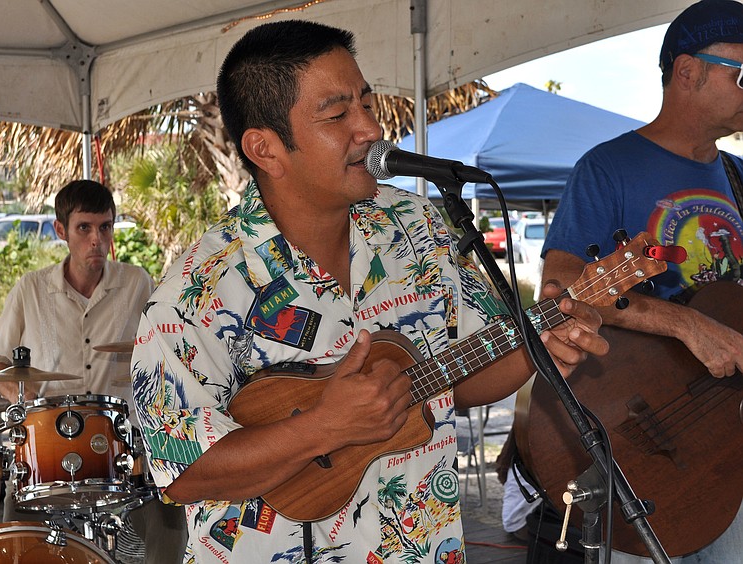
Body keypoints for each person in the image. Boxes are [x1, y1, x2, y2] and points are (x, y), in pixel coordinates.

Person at [131, 19, 607, 563]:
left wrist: (538, 350)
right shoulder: (196, 291)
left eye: (365, 102)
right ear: (265, 149)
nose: (369, 128)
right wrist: (323, 428)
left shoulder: (419, 228)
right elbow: (182, 473)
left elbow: (461, 379)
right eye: (337, 114)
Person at [541, 1, 743, 561]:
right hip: (641, 433)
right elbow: (560, 289)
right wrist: (687, 324)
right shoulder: (607, 168)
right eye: (741, 73)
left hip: (725, 439)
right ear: (688, 72)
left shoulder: (736, 177)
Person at [0, 179, 186, 564]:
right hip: (49, 440)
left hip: (124, 438)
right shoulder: (31, 288)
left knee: (170, 520)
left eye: (105, 227)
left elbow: (165, 351)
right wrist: (22, 401)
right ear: (61, 231)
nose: (97, 239)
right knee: (15, 523)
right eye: (84, 228)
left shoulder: (136, 282)